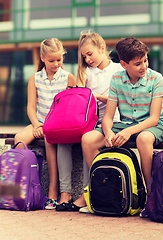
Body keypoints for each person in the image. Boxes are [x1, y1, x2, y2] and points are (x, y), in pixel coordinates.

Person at [73, 36, 163, 210]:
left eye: (145, 61)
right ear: (124, 65)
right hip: (125, 125)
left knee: (144, 139)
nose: (144, 66)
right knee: (88, 139)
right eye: (138, 63)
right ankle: (106, 189)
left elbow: (154, 118)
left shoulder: (156, 78)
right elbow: (108, 116)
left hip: (152, 125)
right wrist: (108, 132)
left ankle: (149, 194)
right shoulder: (117, 78)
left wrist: (129, 132)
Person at [55, 32, 123, 211]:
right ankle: (65, 192)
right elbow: (80, 99)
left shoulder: (118, 70)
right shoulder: (85, 71)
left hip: (111, 121)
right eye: (84, 56)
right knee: (63, 141)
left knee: (88, 138)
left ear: (102, 48)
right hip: (86, 121)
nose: (87, 58)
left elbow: (123, 99)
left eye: (90, 54)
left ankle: (86, 192)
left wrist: (99, 97)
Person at [14, 38, 76, 209]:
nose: (56, 64)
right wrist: (36, 125)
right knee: (19, 138)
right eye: (51, 60)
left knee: (49, 140)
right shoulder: (34, 78)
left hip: (57, 125)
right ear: (42, 57)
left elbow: (69, 109)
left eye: (59, 60)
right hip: (38, 122)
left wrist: (47, 127)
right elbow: (31, 107)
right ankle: (26, 186)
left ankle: (52, 192)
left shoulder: (68, 78)